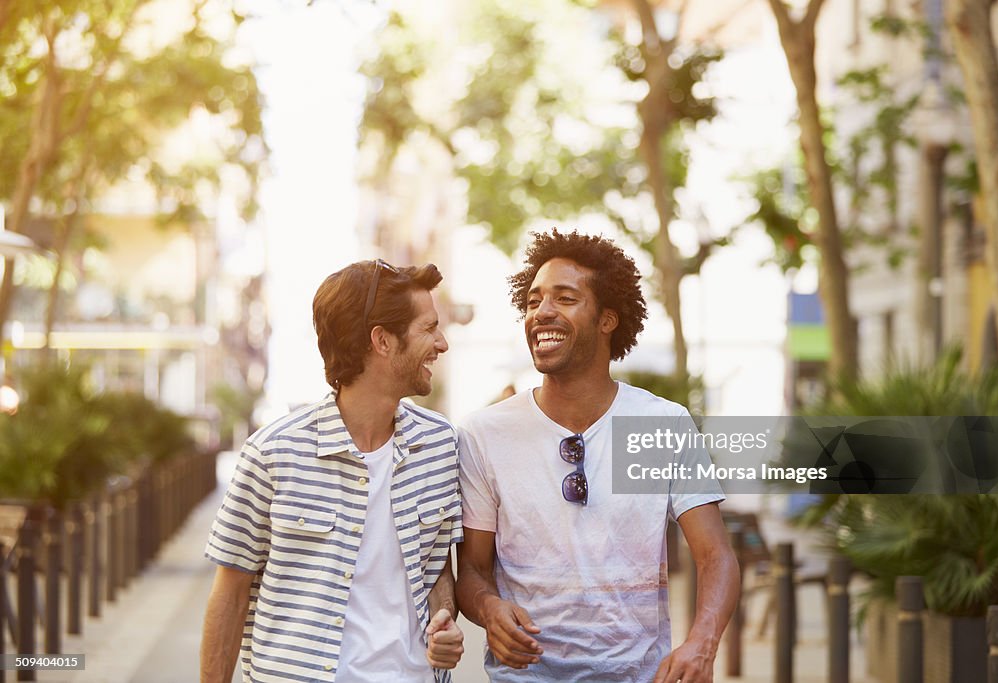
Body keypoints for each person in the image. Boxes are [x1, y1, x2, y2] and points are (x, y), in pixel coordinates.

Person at [456, 231, 740, 683]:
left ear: (608, 319)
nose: (541, 312)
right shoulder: (483, 433)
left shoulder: (660, 424)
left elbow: (715, 555)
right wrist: (490, 610)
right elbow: (471, 568)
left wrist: (702, 644)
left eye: (565, 298)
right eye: (533, 302)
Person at [201, 260, 465, 683]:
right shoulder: (273, 453)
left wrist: (444, 618)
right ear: (382, 340)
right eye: (428, 328)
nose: (442, 343)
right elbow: (229, 596)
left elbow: (435, 570)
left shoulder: (441, 445)